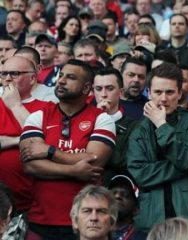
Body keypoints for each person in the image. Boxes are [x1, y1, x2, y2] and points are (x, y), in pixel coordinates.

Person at [19, 59, 116, 239]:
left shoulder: (102, 118)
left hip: (85, 223)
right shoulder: (38, 116)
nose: (61, 81)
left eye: (70, 77)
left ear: (86, 88)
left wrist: (50, 151)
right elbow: (30, 165)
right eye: (61, 75)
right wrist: (74, 170)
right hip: (41, 220)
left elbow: (94, 160)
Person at [126, 62, 188, 231]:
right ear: (148, 93)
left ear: (180, 93)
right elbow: (141, 174)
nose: (163, 98)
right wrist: (187, 167)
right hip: (151, 219)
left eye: (170, 92)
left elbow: (187, 160)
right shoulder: (139, 130)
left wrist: (160, 124)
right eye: (158, 92)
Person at [0, 56, 47, 213]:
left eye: (14, 74)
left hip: (34, 202)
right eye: (3, 74)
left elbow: (41, 143)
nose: (7, 79)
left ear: (32, 78)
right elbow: (31, 141)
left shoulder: (47, 108)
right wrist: (18, 140)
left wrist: (15, 105)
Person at [93, 68, 138, 183]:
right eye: (98, 89)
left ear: (121, 92)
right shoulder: (83, 121)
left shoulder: (135, 126)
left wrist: (104, 119)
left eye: (110, 88)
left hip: (116, 187)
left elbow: (123, 162)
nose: (103, 94)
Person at [108, 175, 147, 240]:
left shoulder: (145, 238)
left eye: (125, 195)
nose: (117, 196)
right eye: (113, 194)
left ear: (136, 209)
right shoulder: (93, 233)